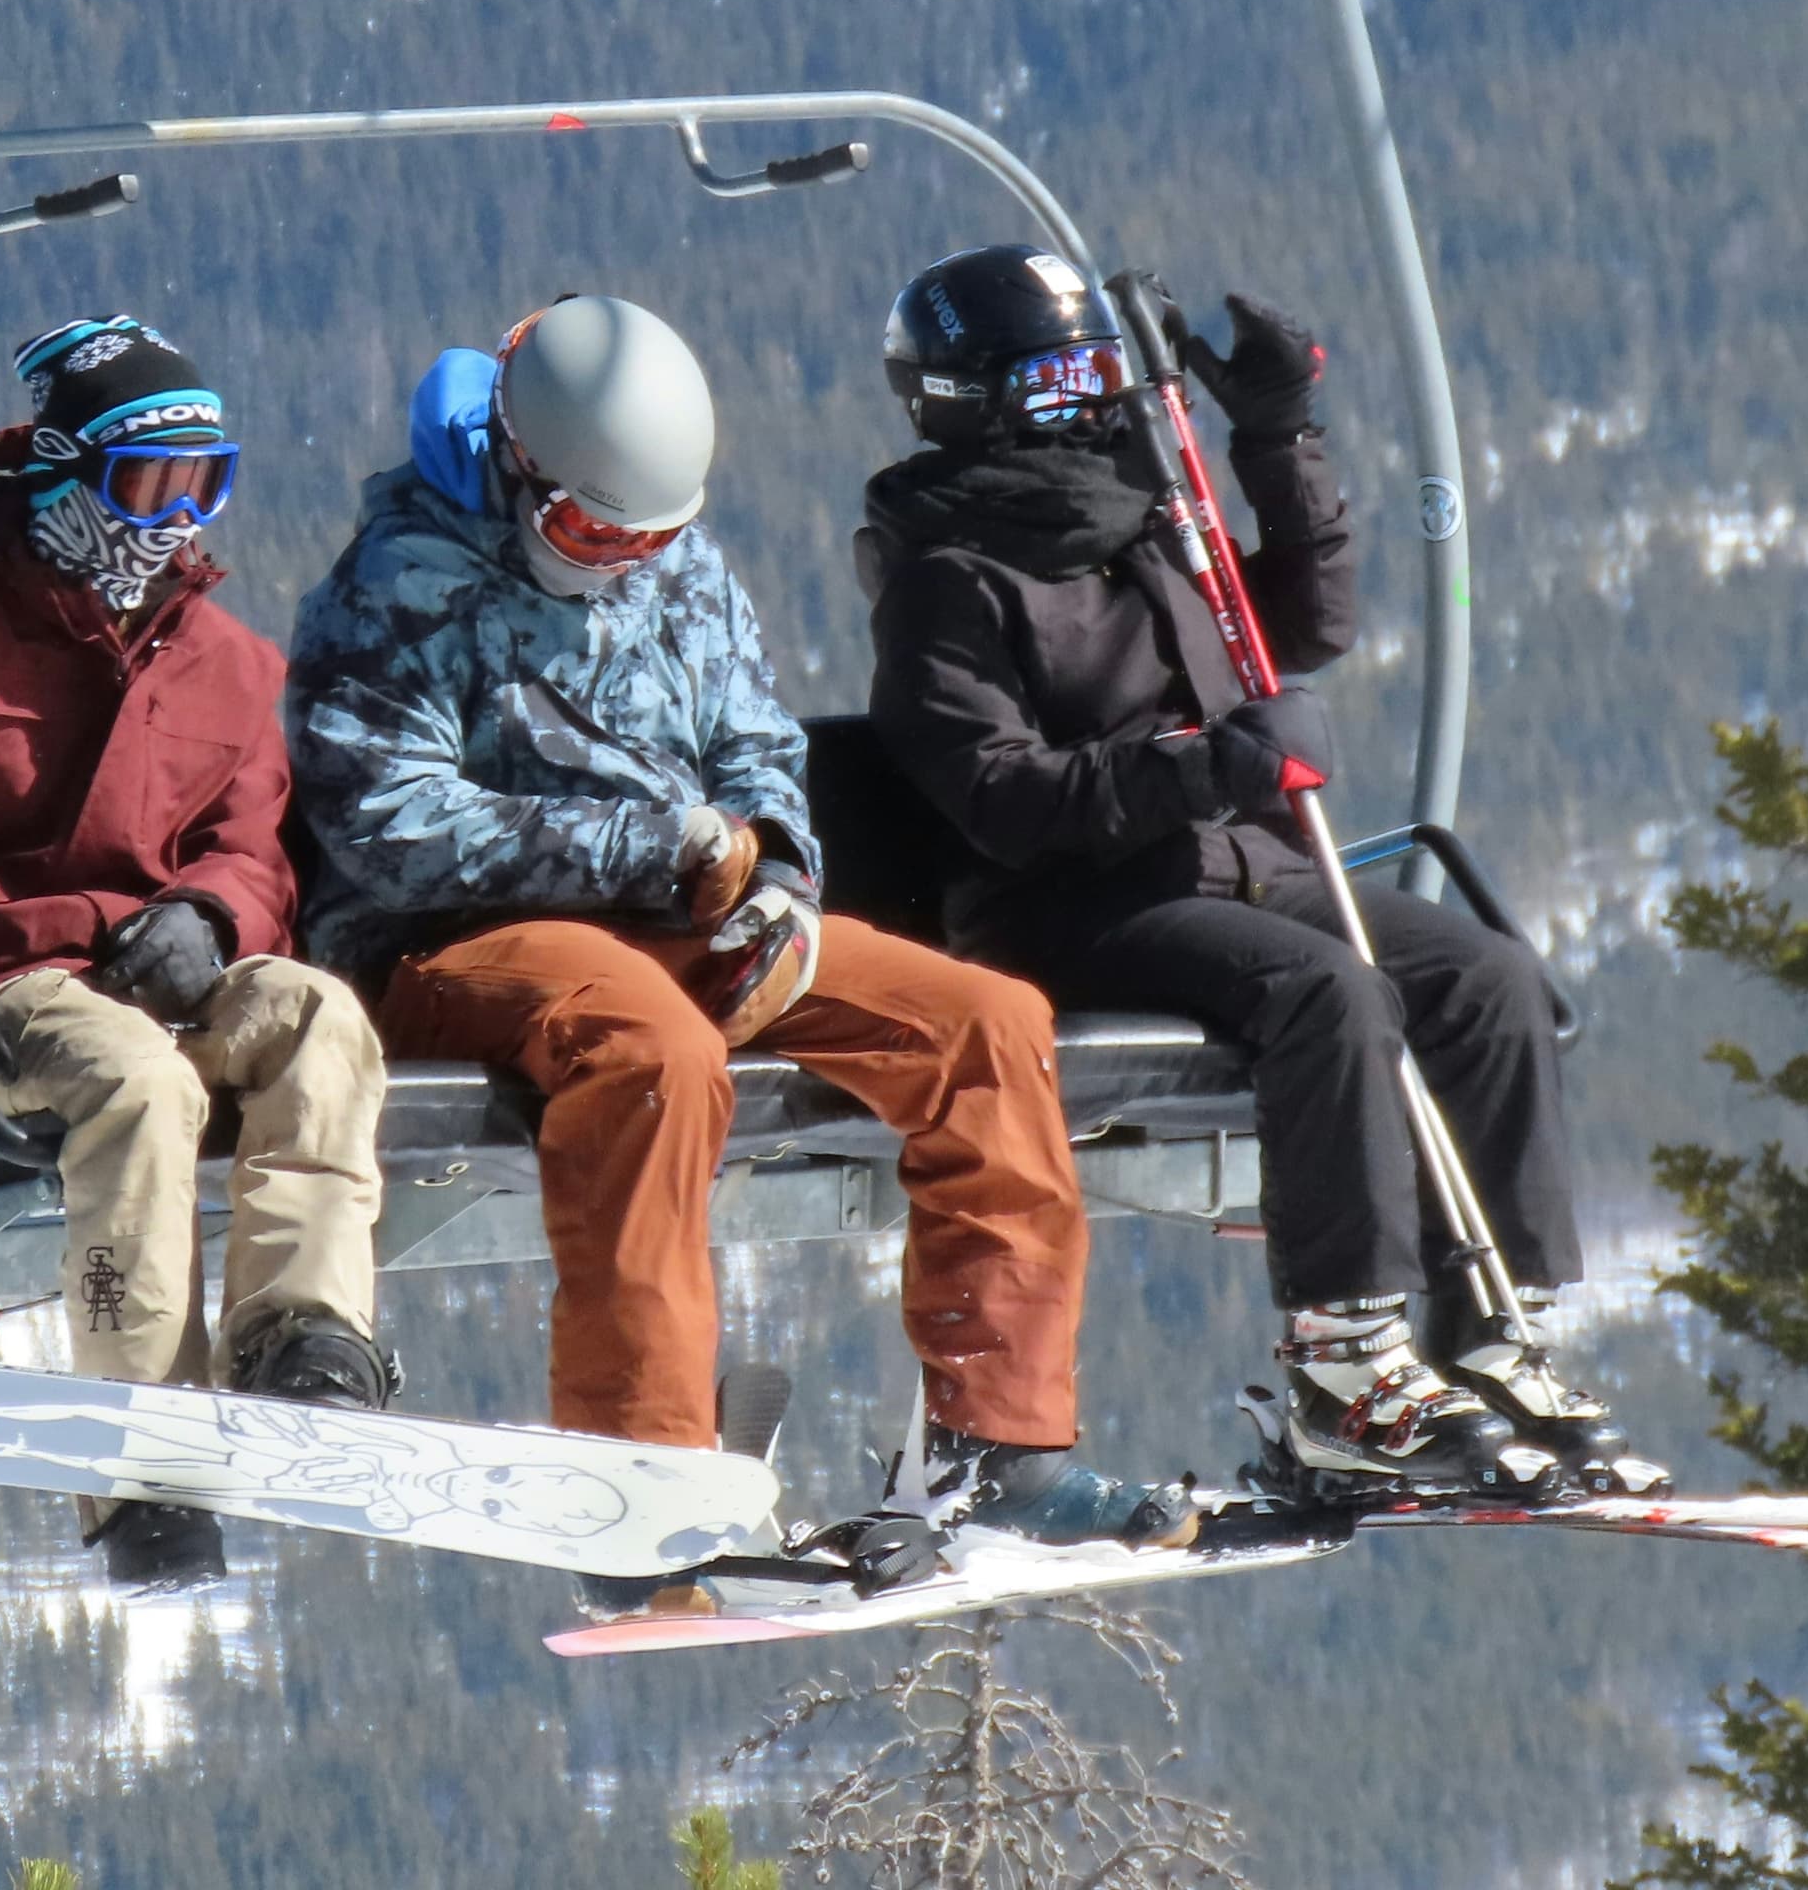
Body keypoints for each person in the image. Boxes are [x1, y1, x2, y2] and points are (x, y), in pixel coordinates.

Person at [285, 292, 1192, 1614]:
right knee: (651, 1056)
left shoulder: (675, 570)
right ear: (522, 470)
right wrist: (653, 847)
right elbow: (392, 825)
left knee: (984, 1022)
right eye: (591, 532)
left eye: (647, 537)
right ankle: (635, 1483)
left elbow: (758, 746)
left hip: (688, 912)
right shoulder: (394, 591)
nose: (616, 563)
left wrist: (775, 871)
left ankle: (1004, 1445)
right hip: (458, 942)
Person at [857, 245, 1653, 1502]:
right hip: (1076, 908)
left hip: (1236, 868)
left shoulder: (1144, 520)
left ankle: (1500, 1324)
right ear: (975, 401)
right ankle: (1347, 1367)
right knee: (1327, 994)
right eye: (1056, 379)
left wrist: (1283, 440)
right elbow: (1000, 799)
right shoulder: (948, 584)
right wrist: (1202, 767)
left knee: (1483, 977)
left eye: (1096, 371)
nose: (1089, 401)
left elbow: (1302, 625)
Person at [0, 314, 395, 1591]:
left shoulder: (225, 662)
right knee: (139, 1081)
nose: (172, 518)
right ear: (63, 473)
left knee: (317, 1013)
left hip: (159, 979)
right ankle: (143, 1456)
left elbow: (258, 847)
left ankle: (303, 1338)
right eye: (143, 485)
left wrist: (210, 914)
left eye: (203, 484)